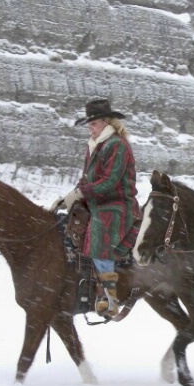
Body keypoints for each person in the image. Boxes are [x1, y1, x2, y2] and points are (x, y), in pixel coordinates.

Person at [51, 98, 141, 318]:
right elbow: (86, 180)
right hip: (96, 202)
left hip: (118, 205)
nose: (90, 128)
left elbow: (110, 181)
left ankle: (109, 297)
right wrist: (67, 198)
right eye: (89, 125)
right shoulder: (95, 146)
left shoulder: (118, 145)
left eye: (93, 124)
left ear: (105, 122)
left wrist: (81, 193)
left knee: (100, 231)